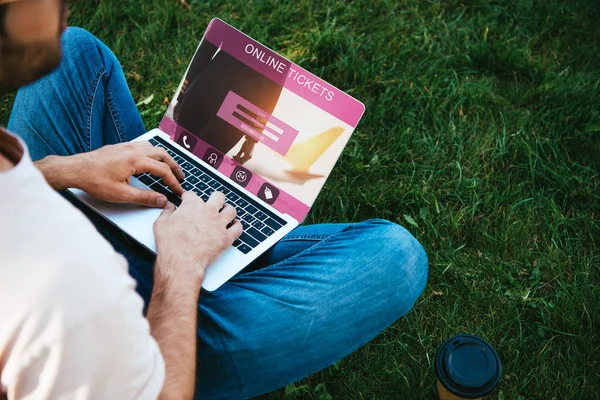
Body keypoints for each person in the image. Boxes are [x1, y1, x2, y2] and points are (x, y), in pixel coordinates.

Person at [0, 0, 429, 399]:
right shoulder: (55, 308)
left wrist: (65, 169)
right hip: (145, 325)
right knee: (397, 256)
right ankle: (222, 268)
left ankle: (222, 244)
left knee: (75, 52)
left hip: (67, 231)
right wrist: (180, 265)